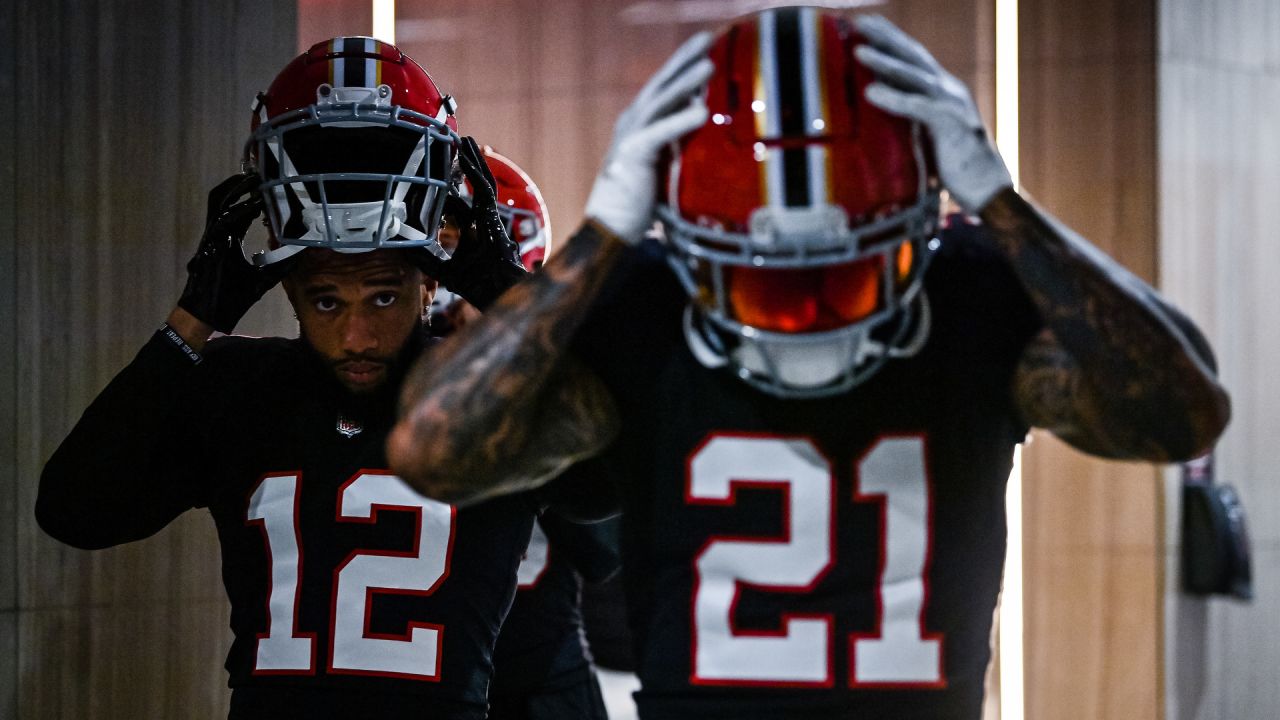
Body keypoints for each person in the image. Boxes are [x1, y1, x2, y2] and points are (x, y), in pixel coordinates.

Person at [387, 8, 1231, 720]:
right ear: (679, 240)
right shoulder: (646, 301)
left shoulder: (971, 289)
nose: (809, 317)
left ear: (925, 220)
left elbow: (1184, 414)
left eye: (846, 273)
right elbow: (434, 453)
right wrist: (607, 228)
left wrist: (1000, 200)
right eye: (766, 282)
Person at [36, 37, 558, 719]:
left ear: (431, 281)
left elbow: (610, 491)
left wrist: (512, 297)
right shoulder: (238, 384)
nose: (356, 337)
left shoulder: (492, 391)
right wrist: (191, 321)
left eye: (383, 297)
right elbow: (74, 509)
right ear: (285, 291)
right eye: (325, 301)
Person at [433, 148, 620, 720]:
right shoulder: (400, 366)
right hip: (434, 663)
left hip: (540, 662)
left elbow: (601, 542)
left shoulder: (550, 364)